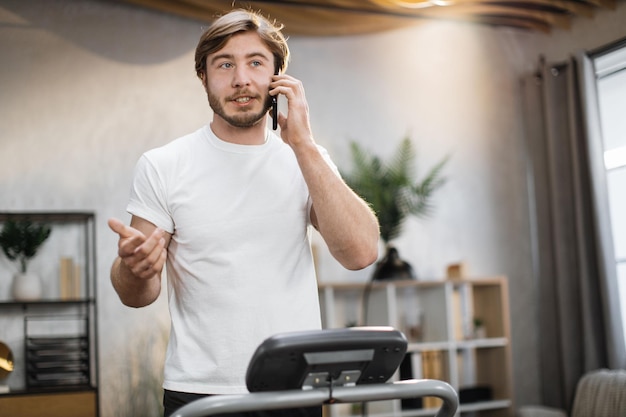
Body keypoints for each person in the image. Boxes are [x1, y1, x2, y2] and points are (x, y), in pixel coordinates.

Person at [108, 8, 380, 417]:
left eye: (256, 62)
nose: (241, 79)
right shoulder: (163, 165)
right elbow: (139, 295)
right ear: (203, 76)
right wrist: (134, 268)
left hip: (294, 389)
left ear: (278, 77)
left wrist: (303, 144)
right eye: (224, 64)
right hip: (199, 392)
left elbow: (360, 254)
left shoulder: (306, 160)